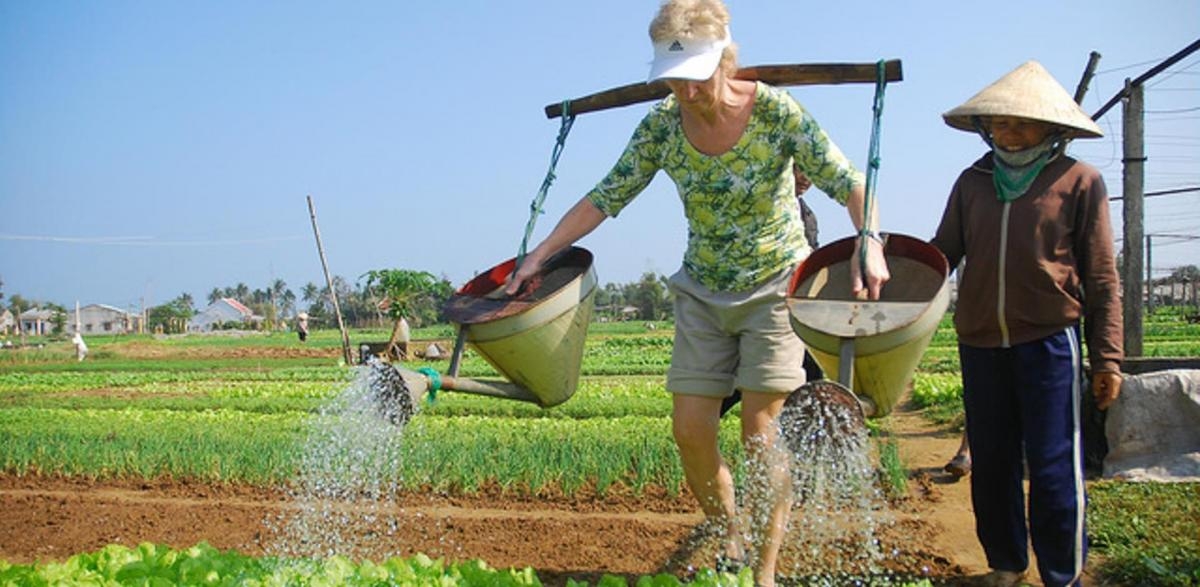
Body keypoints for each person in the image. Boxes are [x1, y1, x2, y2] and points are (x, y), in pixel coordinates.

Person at [506, 1, 889, 583]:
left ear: (725, 61)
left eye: (695, 76)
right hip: (703, 290)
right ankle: (730, 533)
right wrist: (540, 254)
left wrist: (869, 240)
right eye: (673, 79)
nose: (685, 92)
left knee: (761, 434)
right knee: (689, 432)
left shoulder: (775, 112)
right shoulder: (662, 126)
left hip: (774, 286)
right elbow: (605, 196)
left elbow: (849, 181)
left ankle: (763, 573)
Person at [930, 61, 1123, 587]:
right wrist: (891, 266)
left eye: (1022, 123)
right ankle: (1007, 565)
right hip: (980, 342)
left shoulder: (1079, 181)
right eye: (1000, 123)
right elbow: (944, 252)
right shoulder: (973, 182)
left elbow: (1102, 276)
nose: (1008, 133)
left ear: (1051, 128)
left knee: (1054, 463)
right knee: (992, 462)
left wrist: (1108, 358)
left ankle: (1062, 574)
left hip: (1049, 342)